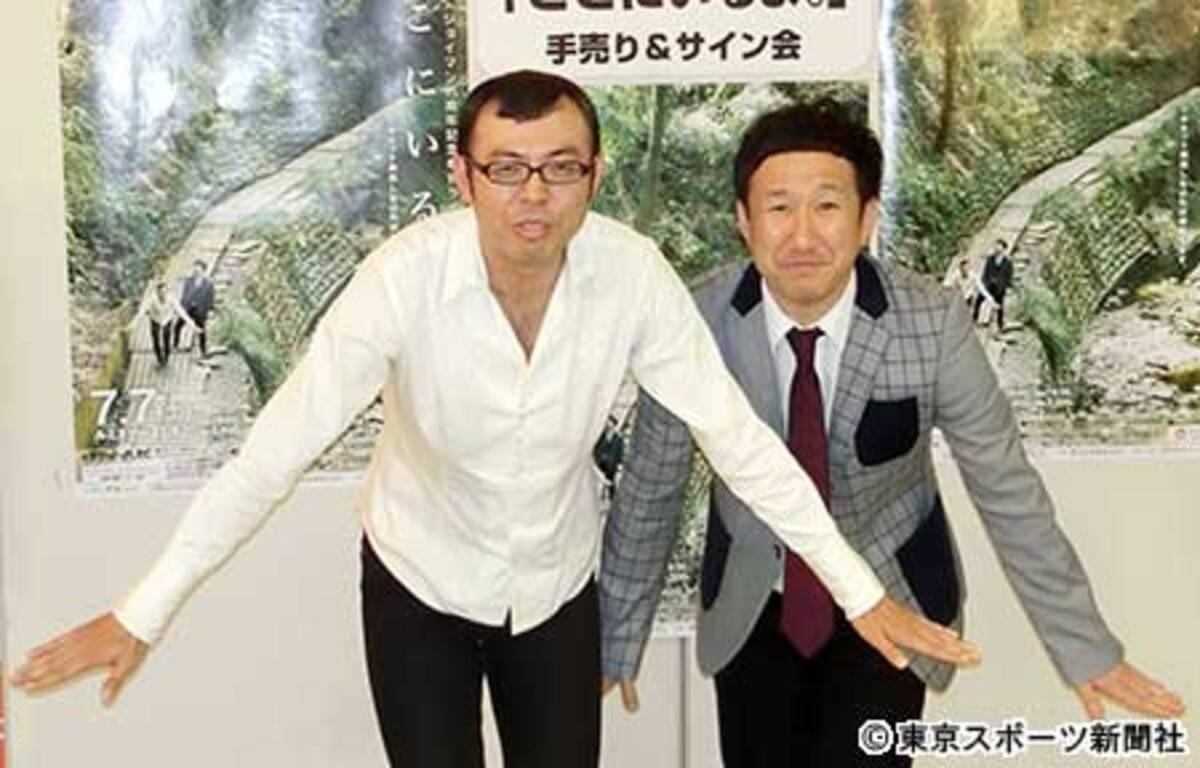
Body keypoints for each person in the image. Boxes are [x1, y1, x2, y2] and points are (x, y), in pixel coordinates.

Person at [10, 72, 978, 768]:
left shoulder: (630, 275)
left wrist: (860, 593)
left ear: (593, 174)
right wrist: (143, 611)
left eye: (559, 168)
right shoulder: (401, 281)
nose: (534, 195)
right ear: (464, 177)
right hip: (418, 576)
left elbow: (739, 442)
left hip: (554, 583)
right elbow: (271, 454)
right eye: (507, 169)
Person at [599, 100, 1185, 767]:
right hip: (755, 595)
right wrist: (614, 641)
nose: (802, 235)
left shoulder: (932, 322)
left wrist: (1085, 649)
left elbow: (1007, 489)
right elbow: (652, 485)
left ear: (867, 219)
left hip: (895, 585)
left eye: (827, 206)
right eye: (779, 207)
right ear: (744, 220)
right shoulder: (696, 321)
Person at [128, 279, 198, 368]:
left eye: (164, 293)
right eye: (160, 293)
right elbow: (141, 312)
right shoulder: (151, 300)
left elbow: (182, 313)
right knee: (155, 338)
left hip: (167, 319)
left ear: (167, 292)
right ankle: (159, 358)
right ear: (157, 293)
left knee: (167, 338)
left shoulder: (171, 299)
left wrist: (193, 326)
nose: (163, 295)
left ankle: (166, 357)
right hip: (155, 319)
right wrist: (133, 324)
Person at [173, 259, 215, 355]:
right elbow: (184, 294)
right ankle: (175, 345)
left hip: (200, 309)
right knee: (177, 326)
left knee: (201, 329)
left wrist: (210, 310)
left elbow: (210, 297)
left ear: (203, 270)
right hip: (188, 307)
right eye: (195, 269)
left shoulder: (208, 283)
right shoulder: (189, 281)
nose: (196, 271)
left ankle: (203, 349)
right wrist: (180, 307)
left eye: (198, 269)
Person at [972, 239, 1013, 331]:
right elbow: (985, 271)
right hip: (989, 284)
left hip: (1000, 286)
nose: (996, 248)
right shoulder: (990, 259)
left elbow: (1009, 275)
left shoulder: (1008, 261)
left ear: (1003, 248)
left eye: (999, 246)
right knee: (979, 300)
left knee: (999, 304)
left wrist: (1007, 286)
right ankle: (975, 317)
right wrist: (984, 283)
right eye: (996, 246)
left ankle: (1000, 323)